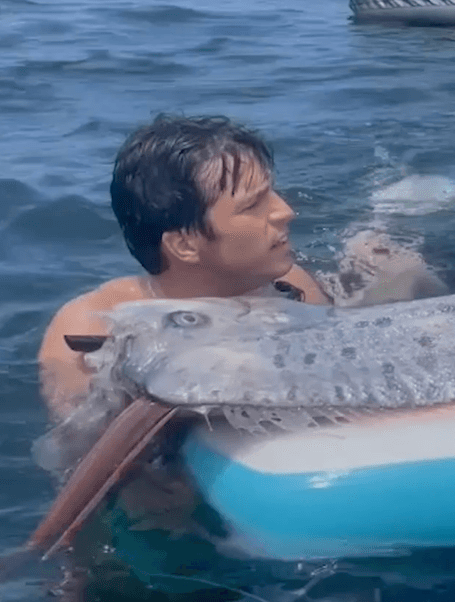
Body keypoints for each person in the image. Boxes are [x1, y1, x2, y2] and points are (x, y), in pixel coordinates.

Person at [36, 114, 332, 422]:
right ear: (184, 245)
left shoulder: (293, 287)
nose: (286, 211)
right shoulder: (88, 331)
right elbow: (79, 449)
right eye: (252, 205)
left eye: (272, 193)